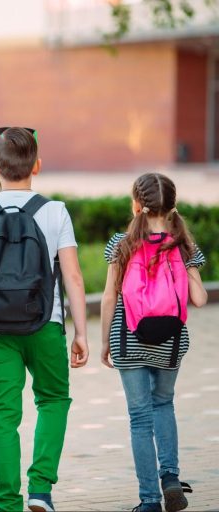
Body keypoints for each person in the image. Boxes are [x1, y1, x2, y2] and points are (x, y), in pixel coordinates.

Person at [0, 127, 89, 512]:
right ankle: (40, 489)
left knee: (2, 414)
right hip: (45, 324)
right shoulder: (54, 211)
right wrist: (81, 332)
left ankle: (7, 503)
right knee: (53, 399)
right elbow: (74, 277)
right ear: (37, 165)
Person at [100, 173, 207, 512]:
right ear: (173, 205)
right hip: (170, 343)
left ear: (136, 204)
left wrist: (105, 343)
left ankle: (149, 501)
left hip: (128, 340)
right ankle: (171, 477)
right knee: (164, 404)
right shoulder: (184, 245)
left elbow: (107, 297)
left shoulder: (121, 243)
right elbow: (201, 299)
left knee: (139, 418)